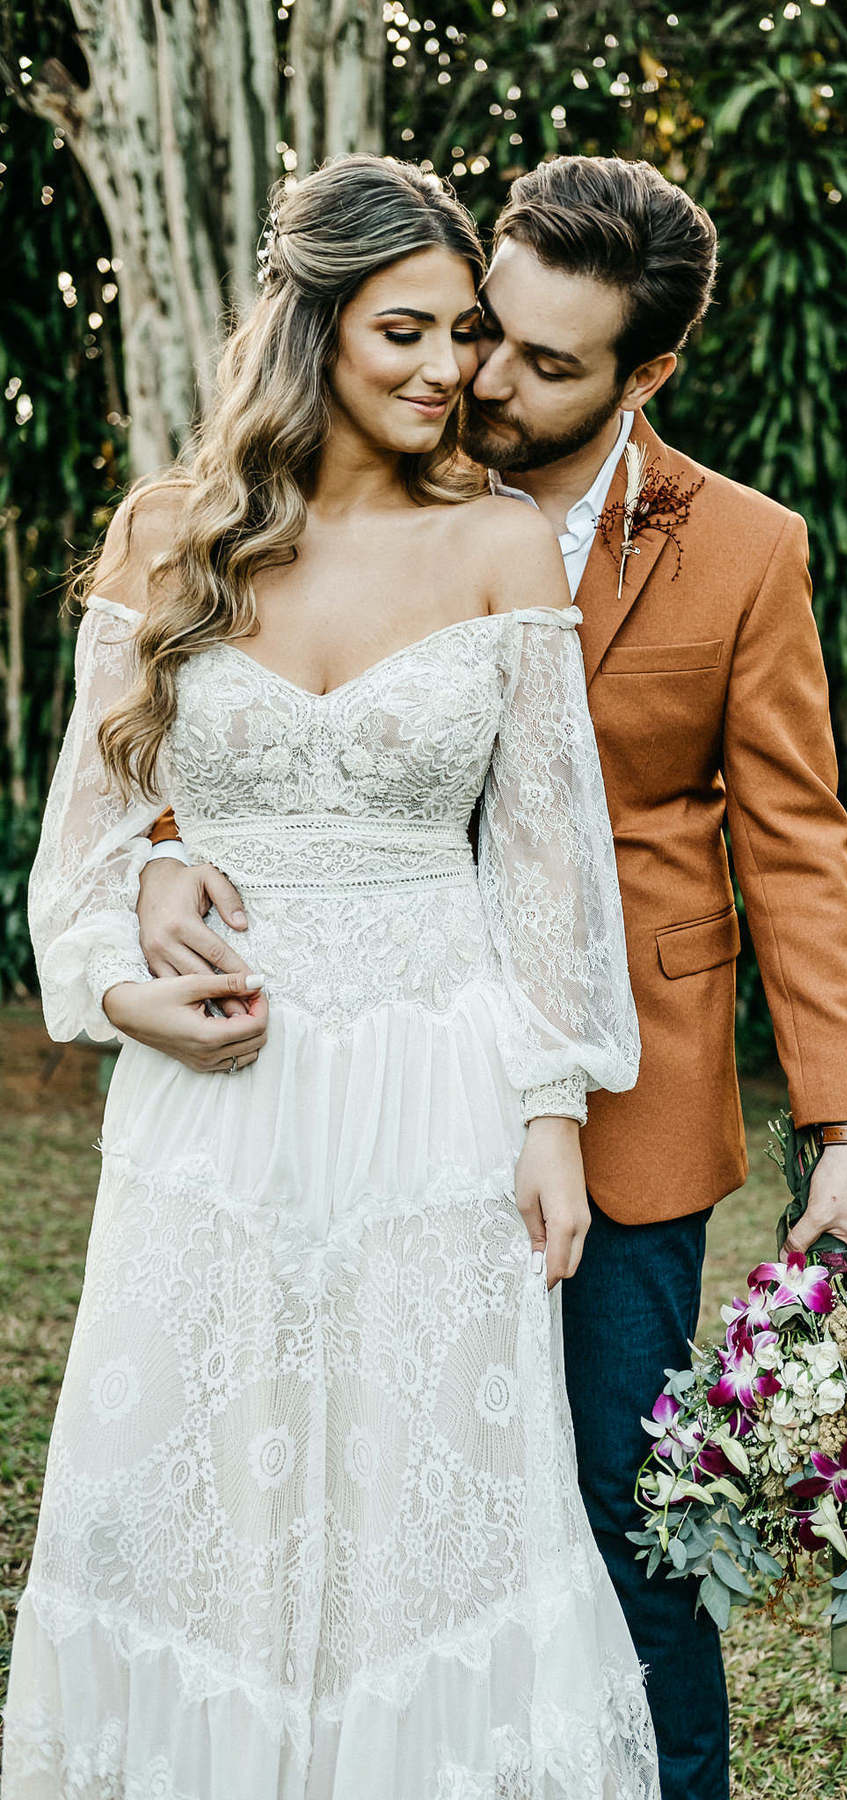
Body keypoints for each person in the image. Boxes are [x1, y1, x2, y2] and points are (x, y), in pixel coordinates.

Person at [133, 156, 847, 1800]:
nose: (485, 379)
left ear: (648, 372)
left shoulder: (746, 553)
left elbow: (797, 848)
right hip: (348, 1082)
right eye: (490, 334)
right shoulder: (359, 472)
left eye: (549, 363)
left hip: (616, 1097)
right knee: (380, 1514)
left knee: (624, 1518)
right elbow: (239, 716)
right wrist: (171, 849)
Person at [2, 155, 661, 1800]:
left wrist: (550, 1102)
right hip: (215, 1097)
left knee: (424, 1504)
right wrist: (118, 965)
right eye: (408, 332)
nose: (453, 370)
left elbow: (549, 867)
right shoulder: (166, 535)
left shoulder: (506, 545)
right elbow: (80, 845)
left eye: (465, 334)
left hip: (433, 1086)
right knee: (194, 1491)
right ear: (312, 330)